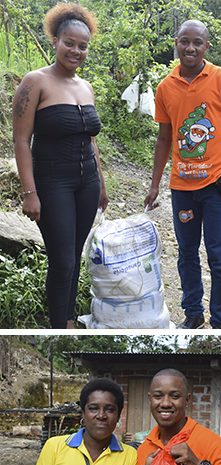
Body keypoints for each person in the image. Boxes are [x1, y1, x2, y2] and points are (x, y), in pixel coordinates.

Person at [143, 19, 221, 330]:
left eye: (197, 42)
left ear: (207, 46)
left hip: (219, 187)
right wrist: (154, 184)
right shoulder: (165, 87)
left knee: (219, 257)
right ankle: (193, 314)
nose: (190, 48)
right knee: (186, 254)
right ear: (176, 43)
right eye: (184, 41)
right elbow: (164, 138)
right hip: (182, 188)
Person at [12, 4, 107, 328]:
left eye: (83, 46)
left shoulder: (86, 87)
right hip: (53, 183)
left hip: (87, 183)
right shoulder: (34, 82)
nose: (76, 51)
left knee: (75, 256)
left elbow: (90, 139)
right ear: (55, 41)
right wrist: (29, 193)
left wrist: (101, 184)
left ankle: (67, 319)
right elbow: (21, 140)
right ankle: (57, 325)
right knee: (62, 260)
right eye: (69, 43)